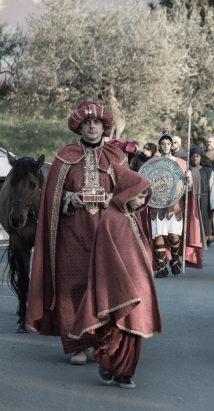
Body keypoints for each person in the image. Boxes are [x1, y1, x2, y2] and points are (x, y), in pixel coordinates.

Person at [27, 101, 128, 365]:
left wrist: (112, 199)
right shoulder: (64, 157)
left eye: (96, 123)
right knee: (73, 287)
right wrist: (69, 200)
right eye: (87, 123)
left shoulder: (118, 158)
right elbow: (51, 198)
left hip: (107, 234)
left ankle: (106, 343)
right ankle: (79, 346)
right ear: (79, 127)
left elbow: (130, 194)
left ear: (104, 126)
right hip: (72, 235)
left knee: (106, 287)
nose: (92, 127)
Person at [69, 163, 162, 389]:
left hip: (137, 286)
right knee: (114, 330)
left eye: (145, 197)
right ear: (127, 193)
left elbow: (140, 249)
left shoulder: (132, 217)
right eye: (139, 196)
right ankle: (108, 364)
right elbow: (107, 256)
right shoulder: (111, 218)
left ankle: (126, 372)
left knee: (134, 332)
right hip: (118, 287)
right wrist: (123, 282)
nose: (142, 202)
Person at [149, 128, 204, 277]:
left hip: (175, 205)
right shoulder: (153, 163)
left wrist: (188, 178)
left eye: (168, 143)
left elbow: (190, 187)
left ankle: (175, 260)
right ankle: (161, 267)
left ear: (172, 146)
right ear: (160, 145)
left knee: (173, 235)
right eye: (163, 143)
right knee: (158, 235)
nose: (166, 146)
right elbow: (146, 181)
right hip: (157, 205)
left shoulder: (181, 163)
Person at [189, 146, 214, 244]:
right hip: (191, 202)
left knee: (204, 231)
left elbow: (213, 189)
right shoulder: (187, 170)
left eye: (197, 156)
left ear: (201, 157)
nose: (195, 158)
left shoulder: (208, 171)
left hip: (204, 202)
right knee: (192, 229)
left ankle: (201, 252)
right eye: (193, 156)